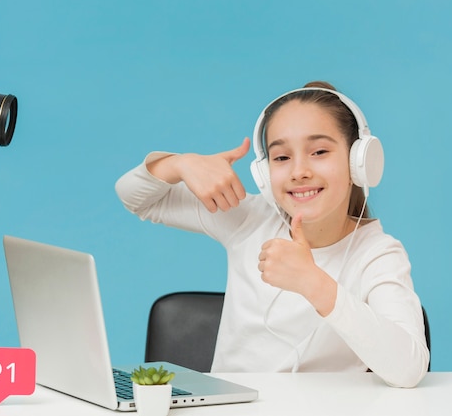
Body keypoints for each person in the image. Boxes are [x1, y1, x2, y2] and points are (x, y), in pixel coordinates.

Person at [115, 81, 429, 388]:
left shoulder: (377, 253)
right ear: (265, 174)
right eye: (281, 157)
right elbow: (135, 196)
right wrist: (178, 164)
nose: (298, 171)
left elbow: (409, 369)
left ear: (358, 162)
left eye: (319, 151)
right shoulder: (247, 219)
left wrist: (312, 282)